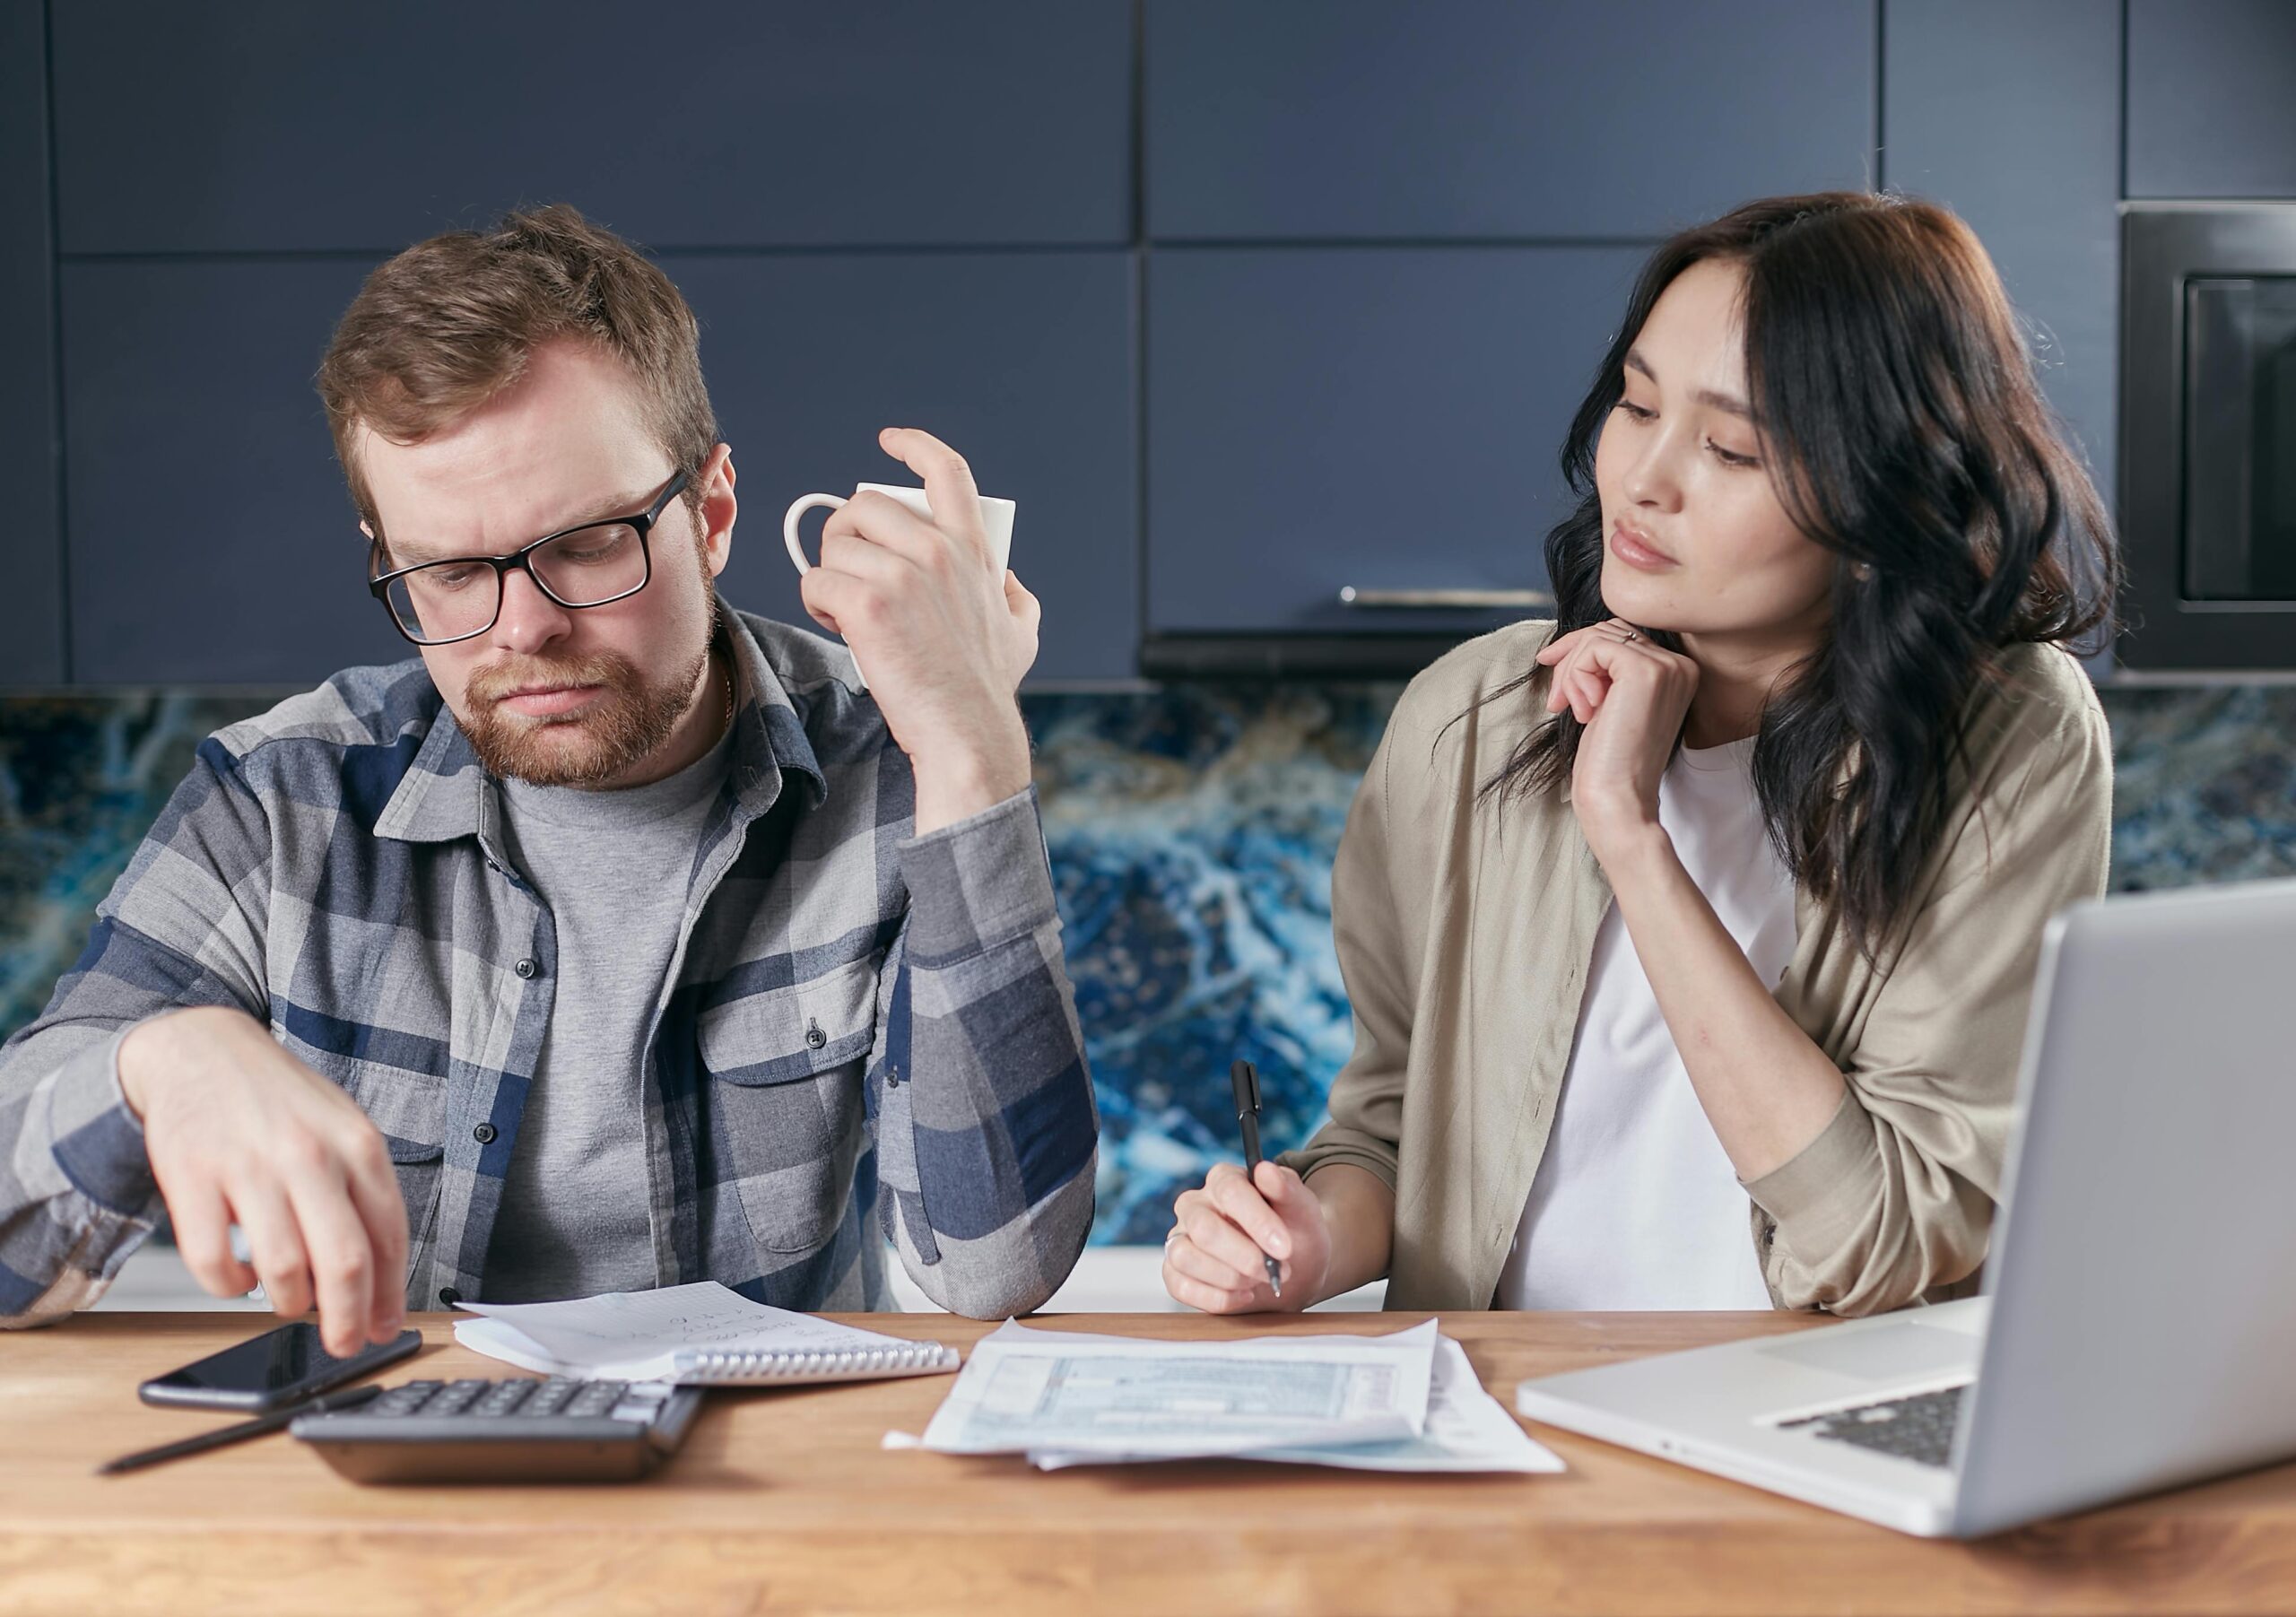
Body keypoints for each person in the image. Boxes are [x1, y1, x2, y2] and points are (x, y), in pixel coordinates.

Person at [0, 205, 1098, 1353]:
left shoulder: (892, 762)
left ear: (711, 514)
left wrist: (973, 744)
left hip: (766, 1484)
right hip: (393, 1488)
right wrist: (154, 1066)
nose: (522, 629)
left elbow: (996, 1270)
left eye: (585, 545)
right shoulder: (283, 799)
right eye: (448, 571)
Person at [1163, 191, 2120, 1318]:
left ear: (1883, 494)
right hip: (1506, 1429)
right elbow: (1391, 1125)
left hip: (1807, 1450)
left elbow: (1887, 1240)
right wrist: (1311, 1239)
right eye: (1635, 403)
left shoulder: (2007, 738)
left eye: (1728, 447)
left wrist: (1628, 831)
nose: (1642, 478)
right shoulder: (1473, 714)